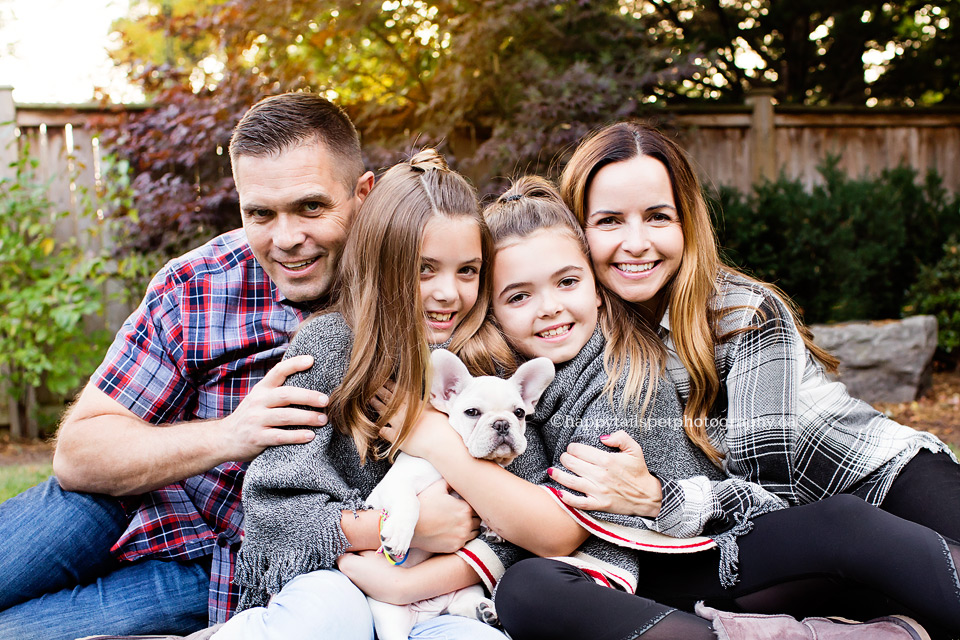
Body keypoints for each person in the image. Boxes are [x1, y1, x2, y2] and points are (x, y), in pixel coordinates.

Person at [489, 127, 960, 639]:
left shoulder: (741, 314)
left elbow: (774, 501)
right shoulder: (580, 330)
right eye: (608, 221)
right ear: (580, 235)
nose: (636, 243)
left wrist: (654, 498)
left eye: (657, 217)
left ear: (686, 222)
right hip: (767, 541)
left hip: (876, 480)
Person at [0, 92, 388, 638]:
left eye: (311, 207)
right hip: (124, 501)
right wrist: (233, 434)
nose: (286, 239)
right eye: (260, 213)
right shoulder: (199, 284)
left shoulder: (413, 292)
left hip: (217, 567)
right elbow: (78, 454)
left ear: (363, 195)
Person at [212, 149, 579, 640]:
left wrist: (415, 583)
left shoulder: (491, 360)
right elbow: (275, 516)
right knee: (332, 620)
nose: (448, 293)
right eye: (425, 269)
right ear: (380, 263)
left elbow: (527, 518)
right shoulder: (332, 348)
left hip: (444, 597)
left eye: (467, 271)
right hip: (336, 578)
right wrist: (392, 527)